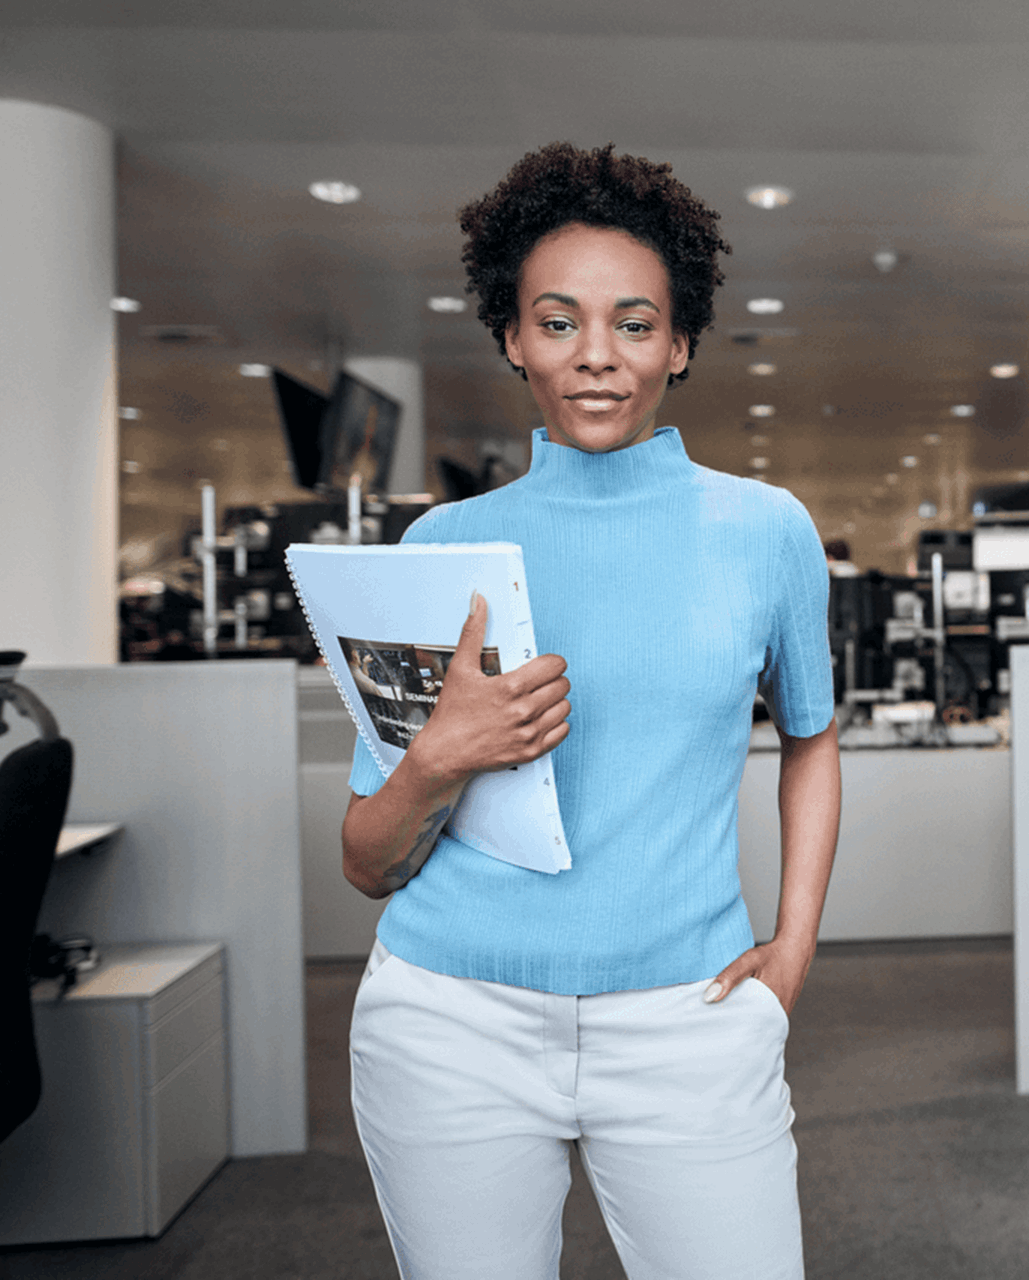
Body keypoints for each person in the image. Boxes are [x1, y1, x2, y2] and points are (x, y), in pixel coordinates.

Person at [339, 142, 840, 1280]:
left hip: (688, 1015)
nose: (598, 357)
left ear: (681, 341)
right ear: (513, 339)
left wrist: (795, 945)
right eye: (558, 322)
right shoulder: (439, 547)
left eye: (634, 322)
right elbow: (367, 861)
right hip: (448, 1018)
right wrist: (441, 758)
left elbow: (811, 743)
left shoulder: (767, 530)